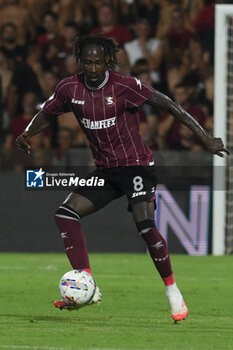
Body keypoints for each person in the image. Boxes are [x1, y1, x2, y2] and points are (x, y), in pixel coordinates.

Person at [15, 34, 228, 322]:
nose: (92, 69)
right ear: (81, 61)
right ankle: (87, 285)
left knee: (145, 225)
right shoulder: (69, 87)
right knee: (65, 214)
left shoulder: (124, 85)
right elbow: (48, 113)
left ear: (107, 62)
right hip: (105, 170)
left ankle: (173, 293)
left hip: (137, 166)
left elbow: (168, 105)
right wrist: (27, 133)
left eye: (98, 63)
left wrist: (204, 137)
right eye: (87, 63)